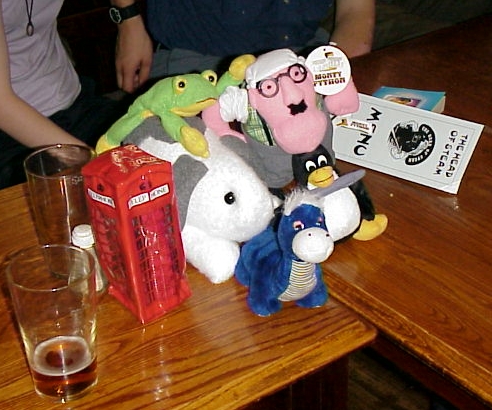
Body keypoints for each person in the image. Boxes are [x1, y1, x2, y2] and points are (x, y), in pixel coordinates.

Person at [111, 0, 375, 94]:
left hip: (302, 54)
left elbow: (356, 11)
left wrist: (334, 84)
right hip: (197, 63)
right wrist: (128, 18)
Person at [0, 0, 127, 189]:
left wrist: (129, 20)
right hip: (11, 137)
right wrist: (94, 160)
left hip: (75, 101)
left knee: (153, 145)